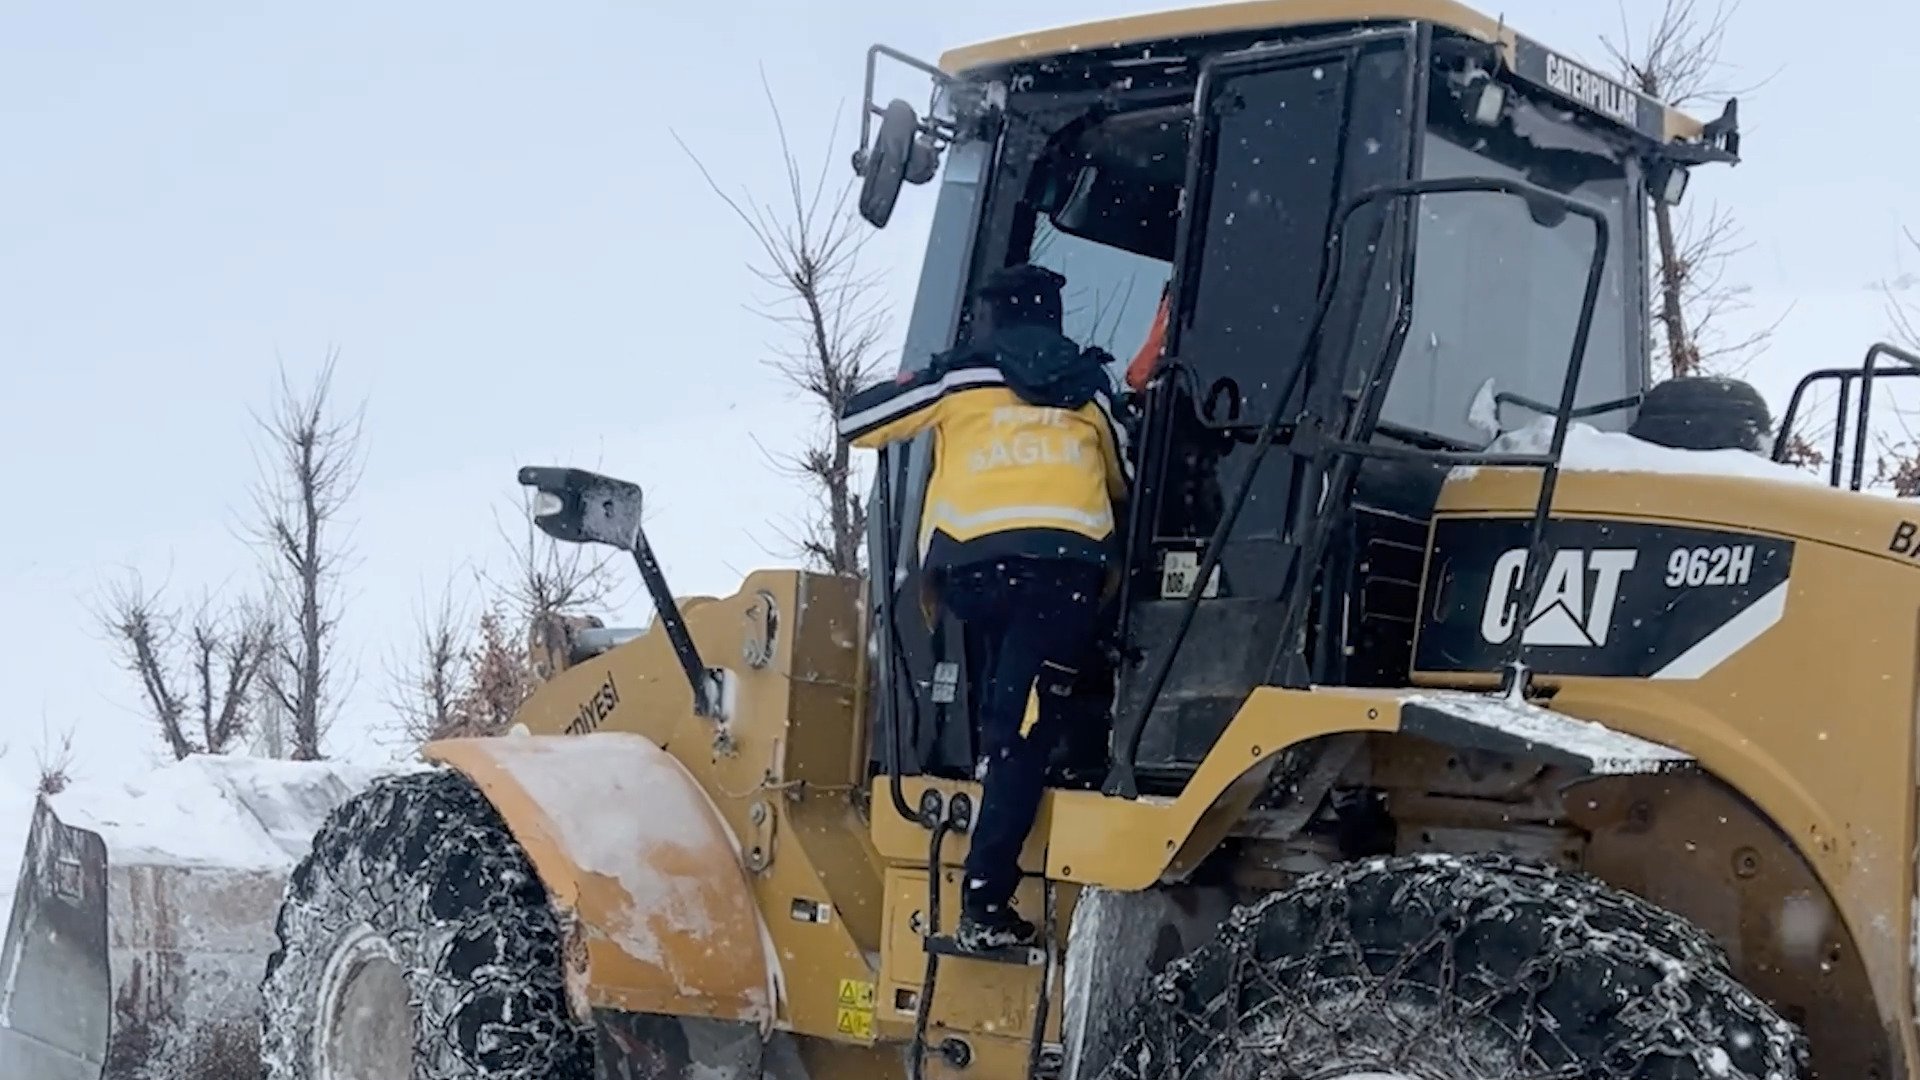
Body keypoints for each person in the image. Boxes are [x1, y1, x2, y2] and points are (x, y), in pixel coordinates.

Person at [838, 263, 1130, 950]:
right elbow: (1127, 476)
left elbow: (860, 421)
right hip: (1063, 578)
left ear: (989, 317)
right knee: (1025, 730)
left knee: (1001, 712)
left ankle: (985, 833)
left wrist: (928, 377)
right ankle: (986, 898)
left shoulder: (961, 379)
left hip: (974, 575)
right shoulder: (1090, 390)